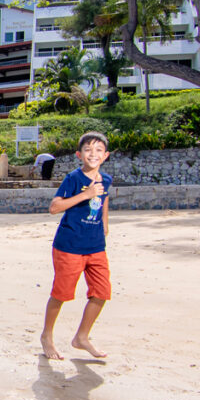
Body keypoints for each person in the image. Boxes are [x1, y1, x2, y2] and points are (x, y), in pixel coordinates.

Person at [41, 131, 112, 361]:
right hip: (69, 245)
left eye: (99, 150)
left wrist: (104, 227)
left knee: (101, 292)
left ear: (106, 155)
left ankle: (81, 337)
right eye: (88, 150)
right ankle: (47, 336)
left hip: (96, 247)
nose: (93, 154)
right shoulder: (73, 178)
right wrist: (86, 194)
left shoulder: (106, 180)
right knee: (61, 294)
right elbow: (54, 207)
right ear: (79, 154)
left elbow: (103, 202)